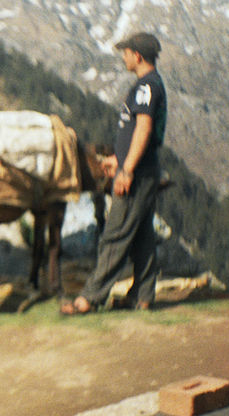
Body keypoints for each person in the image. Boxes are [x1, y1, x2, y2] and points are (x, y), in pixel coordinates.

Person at [62, 32, 167, 314]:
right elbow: (136, 131)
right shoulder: (150, 84)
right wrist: (117, 160)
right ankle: (142, 297)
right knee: (143, 237)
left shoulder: (146, 87)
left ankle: (90, 298)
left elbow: (143, 129)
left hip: (138, 174)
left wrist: (127, 170)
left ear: (138, 56)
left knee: (115, 235)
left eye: (126, 52)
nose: (123, 57)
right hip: (142, 170)